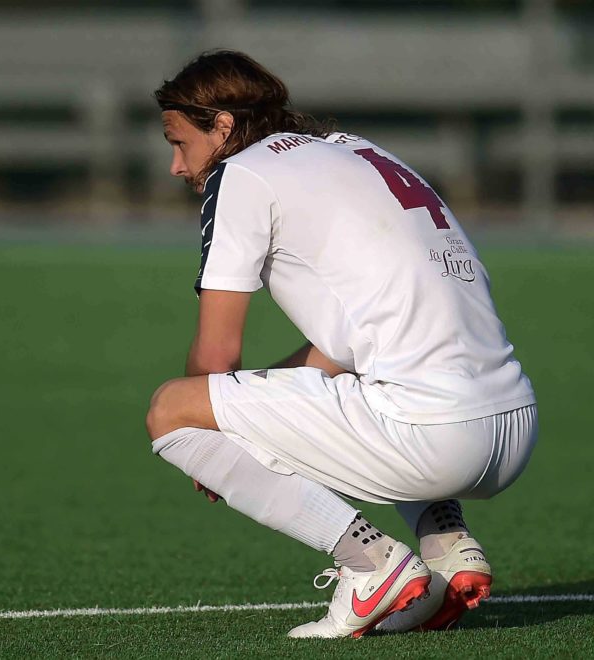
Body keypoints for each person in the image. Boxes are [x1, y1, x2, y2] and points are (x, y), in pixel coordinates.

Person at [145, 50, 537, 639]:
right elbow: (343, 350)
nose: (176, 165)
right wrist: (239, 412)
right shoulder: (355, 148)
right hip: (513, 424)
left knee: (171, 409)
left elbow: (215, 359)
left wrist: (213, 435)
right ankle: (447, 542)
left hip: (432, 436)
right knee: (362, 374)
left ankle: (370, 562)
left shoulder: (241, 173)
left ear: (222, 127)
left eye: (179, 142)